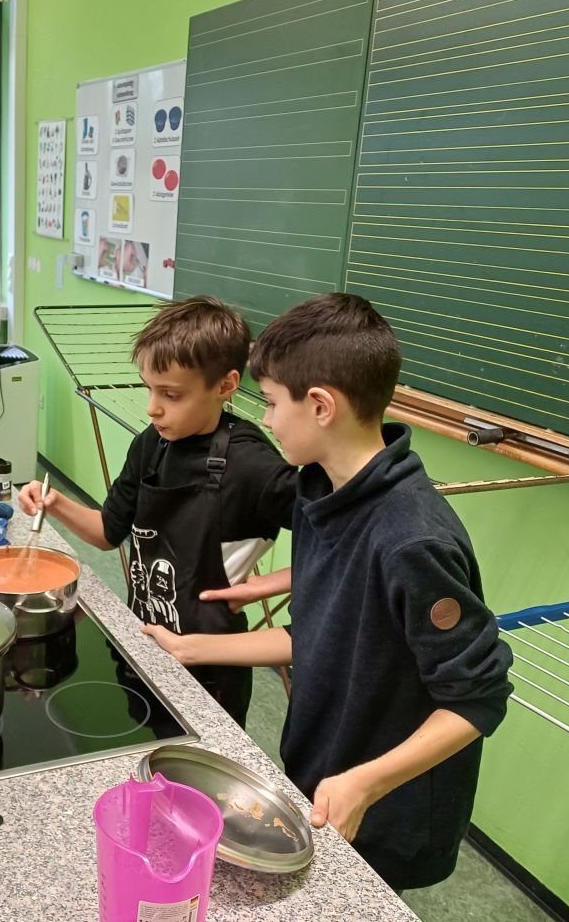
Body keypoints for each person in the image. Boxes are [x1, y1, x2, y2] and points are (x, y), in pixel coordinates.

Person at [141, 293, 513, 892]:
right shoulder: (321, 490)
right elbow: (317, 634)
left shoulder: (412, 540)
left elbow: (478, 699)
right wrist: (189, 649)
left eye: (271, 402)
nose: (266, 420)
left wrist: (366, 781)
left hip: (387, 801)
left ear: (320, 405)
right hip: (322, 765)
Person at [18, 295, 296, 726]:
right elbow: (108, 532)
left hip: (210, 672)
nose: (152, 407)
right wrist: (56, 503)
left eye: (171, 394)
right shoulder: (151, 444)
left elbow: (345, 545)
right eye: (149, 388)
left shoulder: (252, 465)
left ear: (225, 386)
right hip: (145, 642)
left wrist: (267, 585)